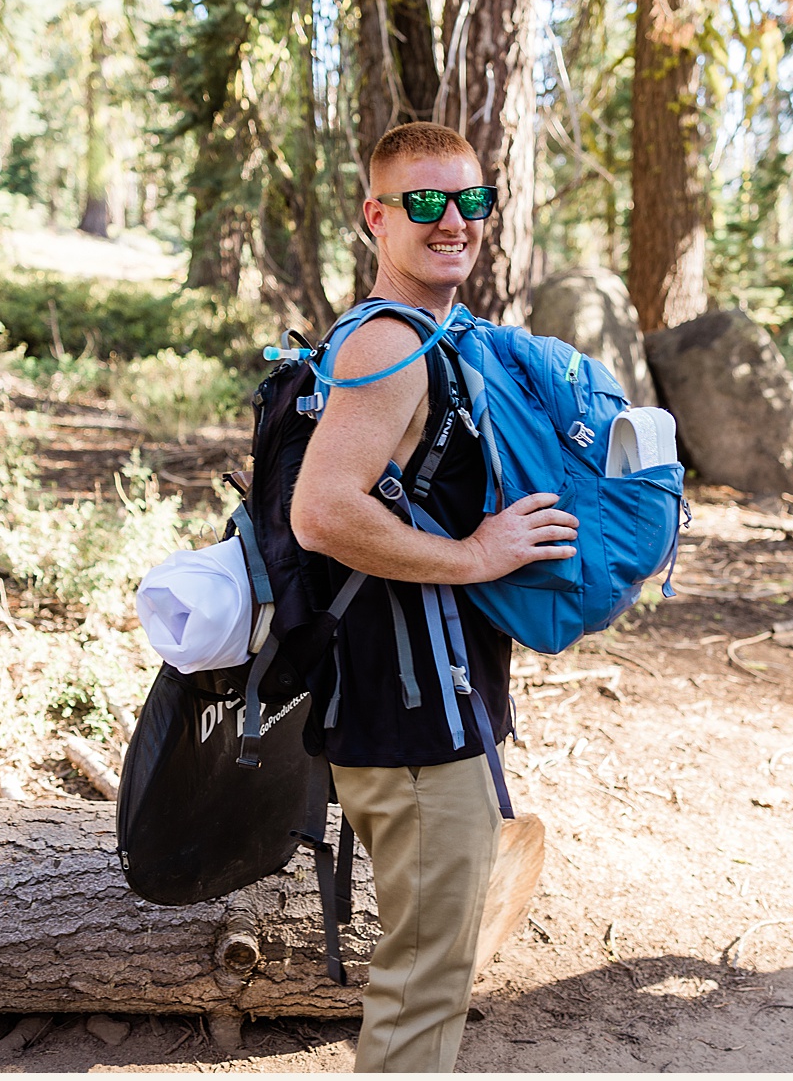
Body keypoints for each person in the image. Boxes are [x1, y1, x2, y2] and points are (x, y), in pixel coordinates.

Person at [288, 122, 578, 1072]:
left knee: (429, 978)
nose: (452, 220)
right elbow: (322, 513)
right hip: (410, 727)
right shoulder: (388, 344)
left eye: (471, 200)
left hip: (417, 712)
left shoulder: (420, 338)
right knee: (424, 993)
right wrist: (479, 555)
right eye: (423, 203)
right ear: (377, 217)